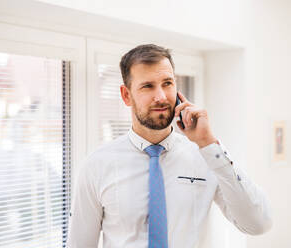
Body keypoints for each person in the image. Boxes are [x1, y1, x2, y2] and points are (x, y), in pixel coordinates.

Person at [66, 44, 272, 248]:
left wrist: (209, 143)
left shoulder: (207, 157)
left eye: (167, 83)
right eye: (148, 86)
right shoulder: (96, 166)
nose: (161, 97)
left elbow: (258, 224)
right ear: (126, 95)